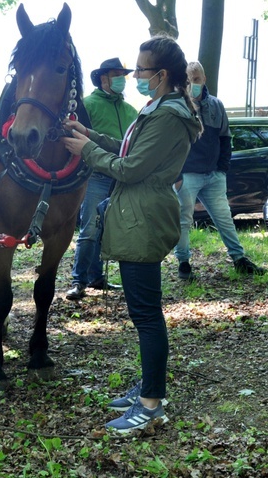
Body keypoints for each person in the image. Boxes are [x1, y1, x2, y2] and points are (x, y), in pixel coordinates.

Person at [62, 36, 202, 433]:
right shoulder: (159, 108)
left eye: (141, 70)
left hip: (142, 215)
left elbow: (130, 169)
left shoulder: (167, 116)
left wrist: (85, 151)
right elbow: (126, 151)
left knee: (146, 314)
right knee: (145, 312)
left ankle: (151, 404)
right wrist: (88, 136)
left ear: (161, 75)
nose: (135, 76)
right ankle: (150, 386)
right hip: (137, 211)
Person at [174, 61, 266, 280]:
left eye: (197, 79)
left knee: (224, 218)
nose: (193, 84)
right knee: (183, 221)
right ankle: (183, 263)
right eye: (189, 80)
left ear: (204, 79)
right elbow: (170, 146)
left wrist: (222, 169)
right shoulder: (177, 106)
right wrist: (177, 176)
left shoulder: (216, 105)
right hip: (187, 176)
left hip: (213, 175)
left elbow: (225, 138)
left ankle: (239, 259)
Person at [66, 58, 137, 301]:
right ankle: (78, 280)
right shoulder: (87, 105)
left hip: (122, 176)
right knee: (90, 228)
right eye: (116, 75)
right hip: (95, 174)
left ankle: (97, 277)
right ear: (103, 78)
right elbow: (76, 136)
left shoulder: (131, 111)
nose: (121, 79)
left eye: (122, 75)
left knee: (108, 229)